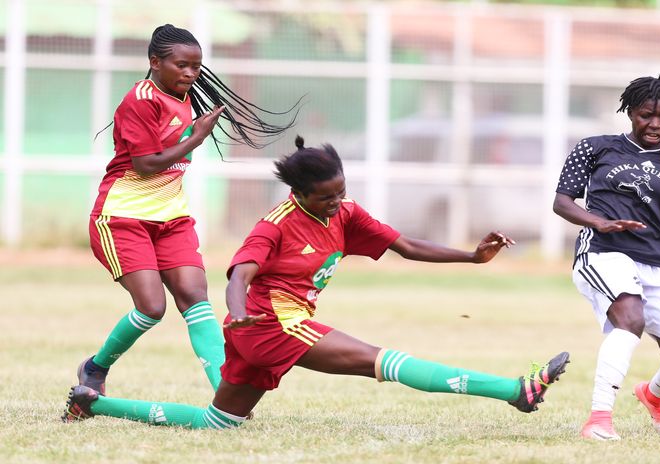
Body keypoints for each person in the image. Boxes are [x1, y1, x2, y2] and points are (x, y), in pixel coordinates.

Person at [62, 136, 570, 428]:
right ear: (300, 193)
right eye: (326, 196)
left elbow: (407, 246)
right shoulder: (277, 223)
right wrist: (237, 310)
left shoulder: (345, 214)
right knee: (385, 361)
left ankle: (93, 402)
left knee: (222, 422)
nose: (336, 201)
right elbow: (241, 272)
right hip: (269, 324)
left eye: (340, 191)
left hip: (265, 327)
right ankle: (515, 390)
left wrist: (471, 258)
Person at [78, 24, 298, 395]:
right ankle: (95, 367)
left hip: (173, 218)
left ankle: (224, 393)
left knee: (196, 298)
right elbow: (147, 164)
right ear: (155, 62)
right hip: (122, 218)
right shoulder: (140, 99)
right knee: (151, 308)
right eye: (182, 65)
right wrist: (196, 137)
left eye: (196, 67)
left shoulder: (183, 96)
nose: (190, 73)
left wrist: (195, 130)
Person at [552, 72, 660, 441]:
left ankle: (653, 396)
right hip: (606, 250)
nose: (655, 124)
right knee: (629, 317)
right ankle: (599, 419)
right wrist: (598, 223)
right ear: (630, 112)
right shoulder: (595, 147)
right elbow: (561, 202)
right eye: (645, 115)